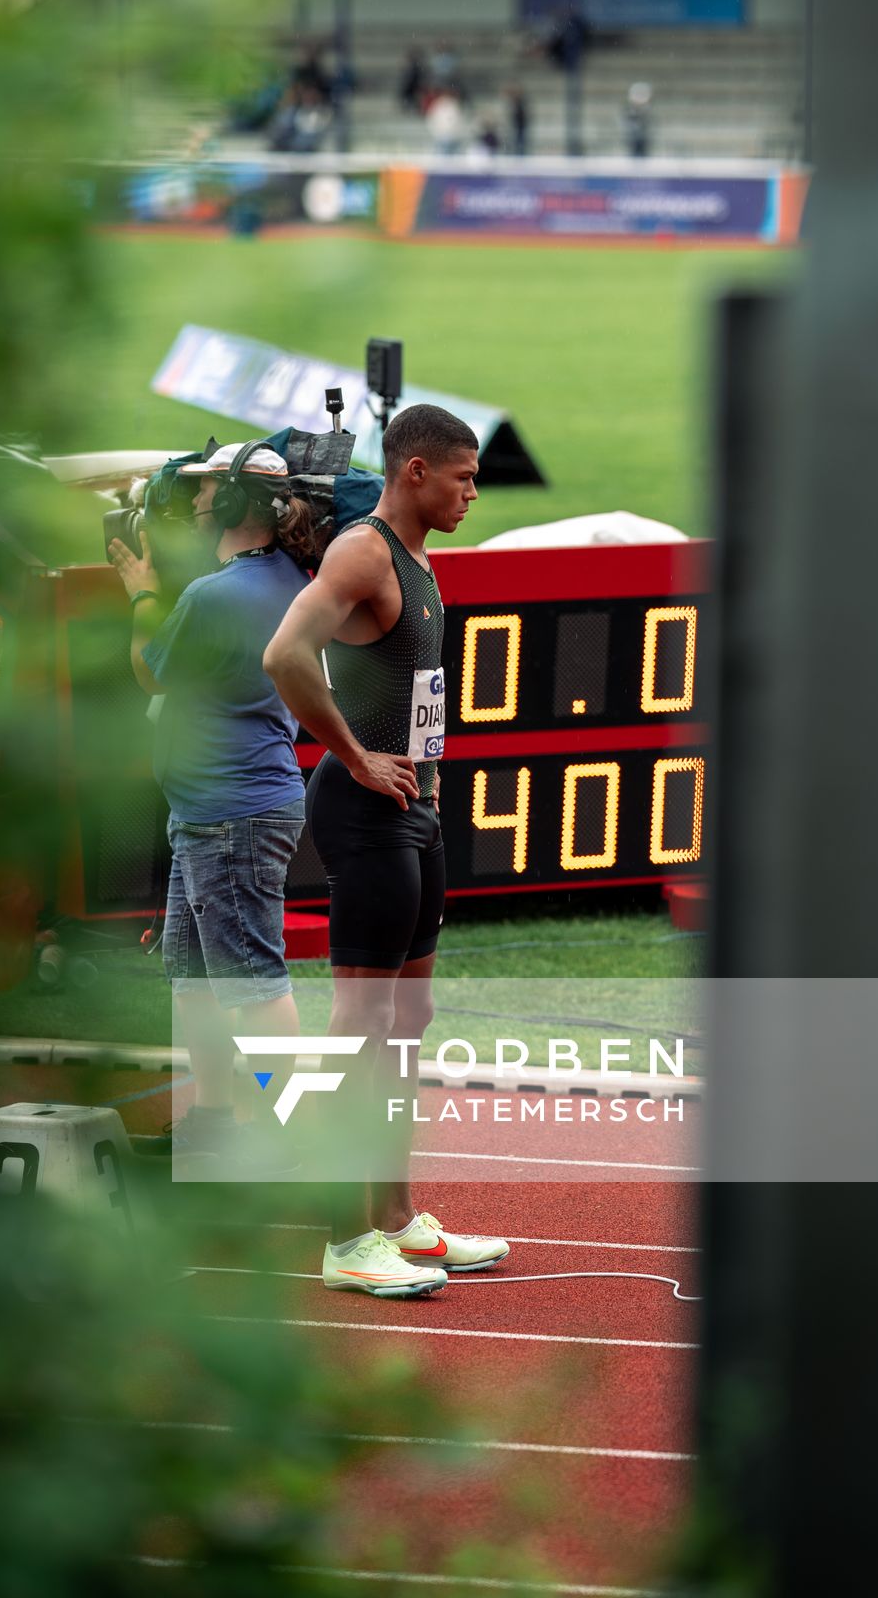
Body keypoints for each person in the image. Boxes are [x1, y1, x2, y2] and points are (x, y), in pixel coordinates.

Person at [263, 405, 509, 1299]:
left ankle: (399, 1220)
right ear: (414, 472)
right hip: (364, 812)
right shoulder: (363, 551)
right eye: (464, 477)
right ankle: (344, 1236)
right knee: (359, 1029)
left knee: (408, 1024)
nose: (473, 492)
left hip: (417, 810)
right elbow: (286, 653)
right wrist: (354, 755)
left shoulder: (420, 557)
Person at [108, 441, 317, 1165]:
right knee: (194, 981)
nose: (193, 504)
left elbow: (150, 673)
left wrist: (139, 589)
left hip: (229, 815)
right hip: (217, 811)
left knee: (253, 983)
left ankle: (289, 1139)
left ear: (231, 504)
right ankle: (216, 1120)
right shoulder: (288, 576)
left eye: (203, 493)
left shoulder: (212, 596)